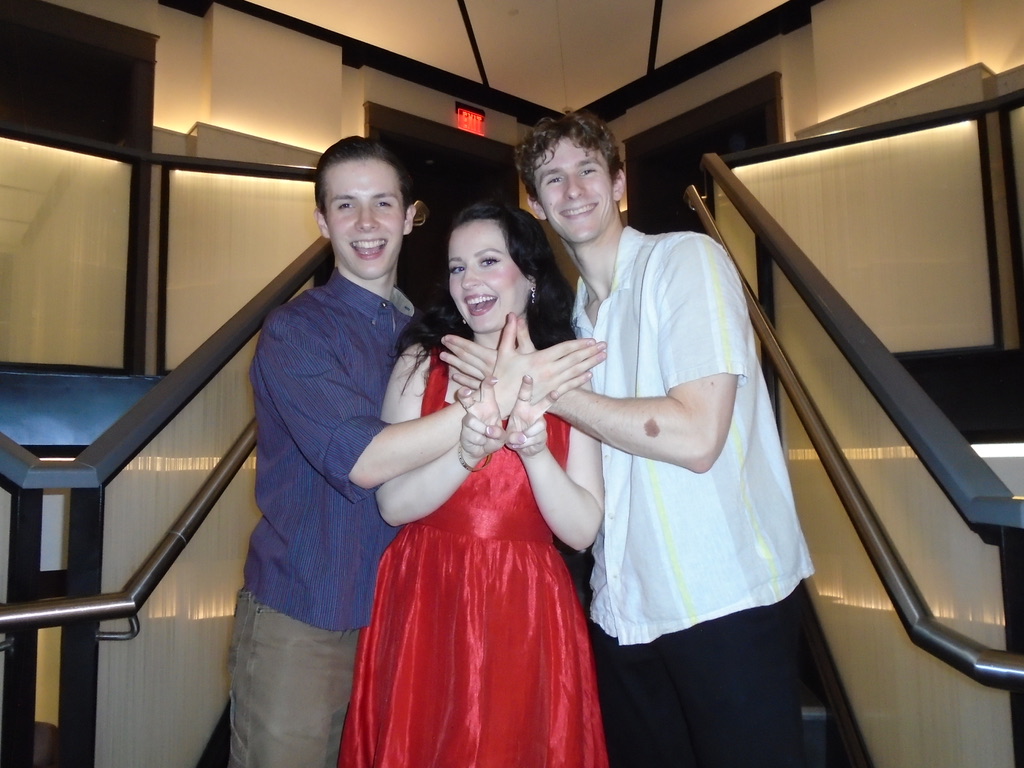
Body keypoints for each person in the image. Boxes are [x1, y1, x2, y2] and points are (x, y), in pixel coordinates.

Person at [442, 111, 815, 768]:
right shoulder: (576, 320)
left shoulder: (685, 262)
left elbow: (698, 435)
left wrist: (536, 383)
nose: (574, 188)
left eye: (589, 169)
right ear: (534, 201)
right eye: (552, 177)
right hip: (624, 615)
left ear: (618, 182)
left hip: (723, 604)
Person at [230, 137, 605, 768]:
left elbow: (582, 520)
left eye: (383, 202)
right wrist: (497, 397)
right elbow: (369, 463)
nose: (367, 222)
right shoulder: (299, 331)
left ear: (410, 217)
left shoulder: (413, 326)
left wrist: (524, 417)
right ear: (322, 221)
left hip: (425, 608)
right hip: (315, 612)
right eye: (346, 205)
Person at [338, 201, 609, 768]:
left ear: (530, 276)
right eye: (458, 267)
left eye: (489, 261)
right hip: (427, 592)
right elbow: (392, 504)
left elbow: (582, 530)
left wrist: (534, 455)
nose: (470, 281)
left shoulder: (569, 373)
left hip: (527, 603)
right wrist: (466, 451)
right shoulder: (423, 363)